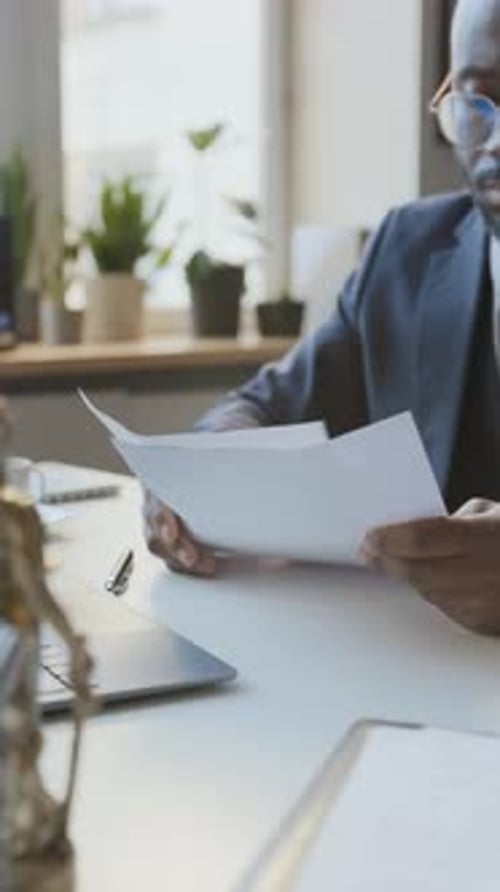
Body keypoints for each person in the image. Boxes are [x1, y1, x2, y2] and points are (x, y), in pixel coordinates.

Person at [145, 0, 500, 636]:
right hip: (413, 681)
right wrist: (197, 477)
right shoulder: (410, 248)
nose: (497, 143)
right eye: (478, 106)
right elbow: (265, 406)